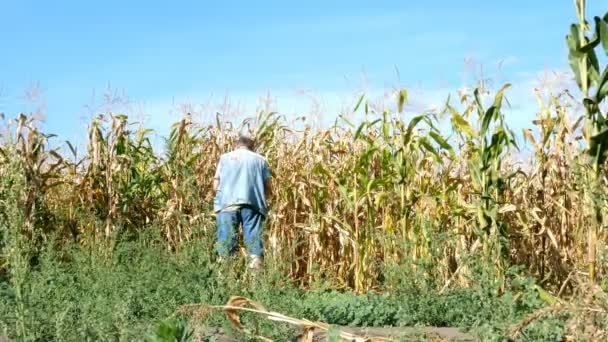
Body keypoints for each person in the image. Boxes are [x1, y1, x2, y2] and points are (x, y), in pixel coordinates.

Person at [212, 135, 271, 270]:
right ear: (251, 147)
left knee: (226, 244)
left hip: (226, 205)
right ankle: (256, 283)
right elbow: (268, 186)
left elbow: (215, 186)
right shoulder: (260, 160)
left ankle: (225, 281)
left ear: (236, 145)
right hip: (253, 206)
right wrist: (263, 199)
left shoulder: (224, 158)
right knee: (254, 244)